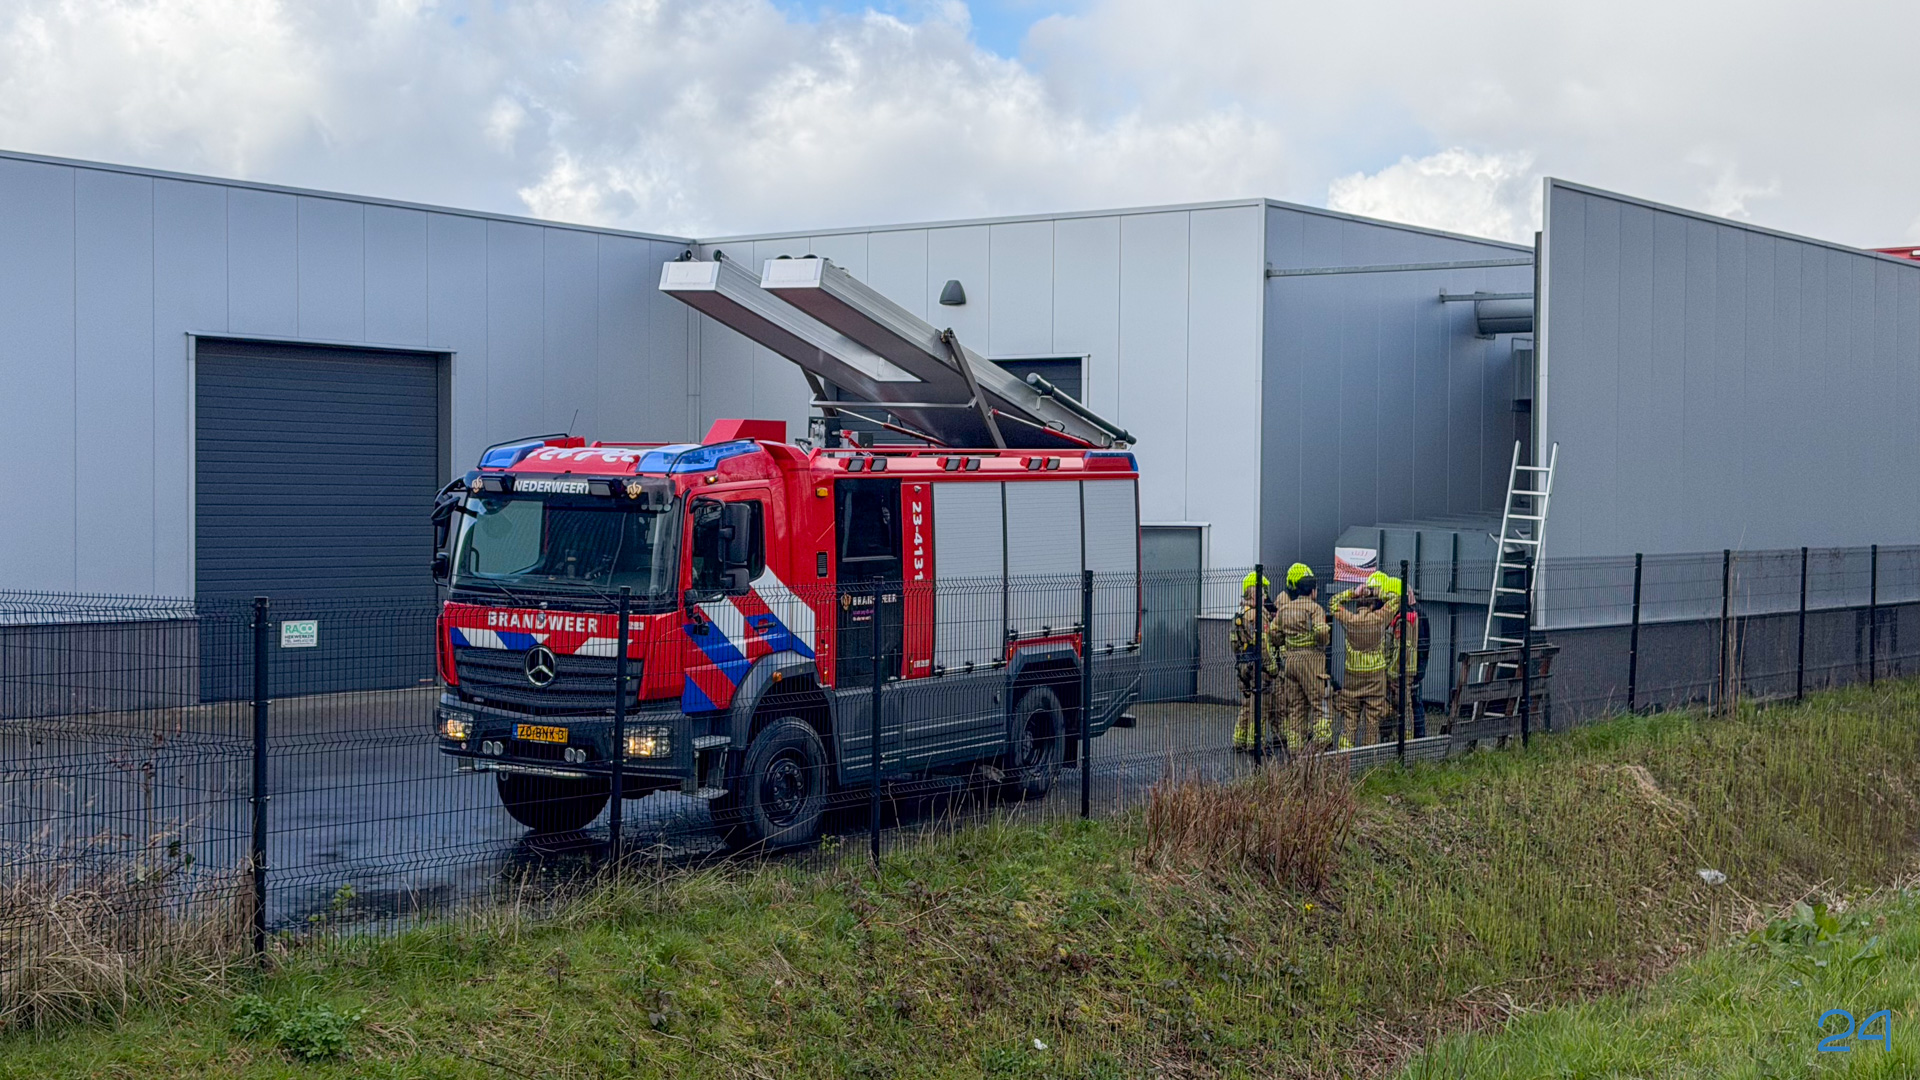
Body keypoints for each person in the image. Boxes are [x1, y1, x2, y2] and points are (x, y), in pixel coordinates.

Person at [1329, 574, 1400, 745]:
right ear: (1372, 605)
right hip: (1376, 679)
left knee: (1349, 719)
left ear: (1357, 605)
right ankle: (1368, 755)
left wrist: (1353, 593)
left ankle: (1344, 755)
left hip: (1352, 678)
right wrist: (1376, 592)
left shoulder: (1350, 620)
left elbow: (1332, 603)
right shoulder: (1379, 618)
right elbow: (1397, 599)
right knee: (1372, 722)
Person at [1272, 563, 1331, 753]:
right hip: (1311, 661)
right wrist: (1322, 641)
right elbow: (1321, 633)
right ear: (1313, 591)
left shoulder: (1285, 609)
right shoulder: (1315, 609)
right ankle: (1321, 745)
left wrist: (1287, 642)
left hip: (1290, 662)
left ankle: (1295, 749)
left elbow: (1273, 634)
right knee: (1320, 703)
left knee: (1295, 707)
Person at [1230, 571, 1279, 753]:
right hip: (1258, 667)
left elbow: (1234, 644)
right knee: (1260, 707)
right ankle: (1256, 744)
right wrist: (1272, 668)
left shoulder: (1240, 613)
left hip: (1244, 664)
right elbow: (1263, 645)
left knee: (1247, 704)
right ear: (1255, 592)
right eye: (1263, 591)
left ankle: (1239, 740)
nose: (1266, 595)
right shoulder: (1257, 615)